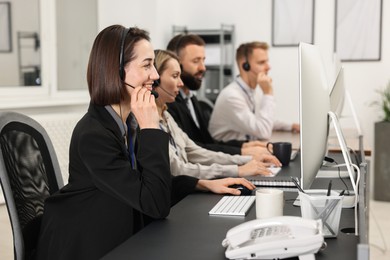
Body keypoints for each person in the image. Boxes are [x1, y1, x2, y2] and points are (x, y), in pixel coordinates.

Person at [36, 25, 257, 260]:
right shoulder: (94, 135)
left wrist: (202, 184)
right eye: (146, 65)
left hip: (119, 231)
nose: (155, 75)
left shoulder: (127, 122)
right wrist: (151, 128)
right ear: (117, 72)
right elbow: (154, 203)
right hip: (88, 246)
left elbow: (146, 182)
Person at [153, 49, 281, 180]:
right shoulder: (150, 121)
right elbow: (177, 169)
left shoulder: (166, 115)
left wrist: (245, 161)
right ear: (155, 79)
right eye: (175, 76)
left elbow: (196, 152)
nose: (180, 83)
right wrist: (237, 169)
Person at [166, 34, 271, 160]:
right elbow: (192, 150)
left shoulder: (191, 99)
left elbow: (207, 143)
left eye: (203, 60)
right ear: (177, 65)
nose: (203, 68)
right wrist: (241, 152)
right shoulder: (169, 104)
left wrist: (244, 146)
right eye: (195, 61)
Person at [208, 41, 300, 142]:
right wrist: (268, 92)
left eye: (267, 61)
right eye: (261, 62)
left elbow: (261, 121)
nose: (268, 67)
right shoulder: (232, 96)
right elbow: (264, 131)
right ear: (245, 66)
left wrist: (291, 126)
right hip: (228, 153)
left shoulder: (252, 92)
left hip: (245, 148)